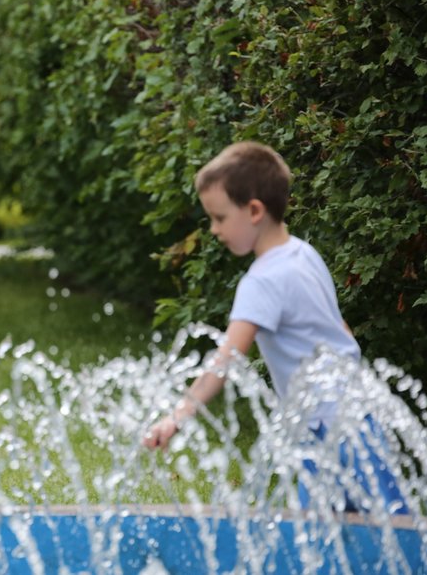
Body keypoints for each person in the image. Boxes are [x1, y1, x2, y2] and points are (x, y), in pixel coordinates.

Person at [142, 141, 407, 514]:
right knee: (385, 535)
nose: (215, 230)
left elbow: (226, 360)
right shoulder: (304, 254)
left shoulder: (261, 282)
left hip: (326, 428)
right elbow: (340, 329)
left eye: (219, 218)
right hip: (356, 418)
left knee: (325, 539)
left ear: (253, 211)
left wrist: (176, 417)